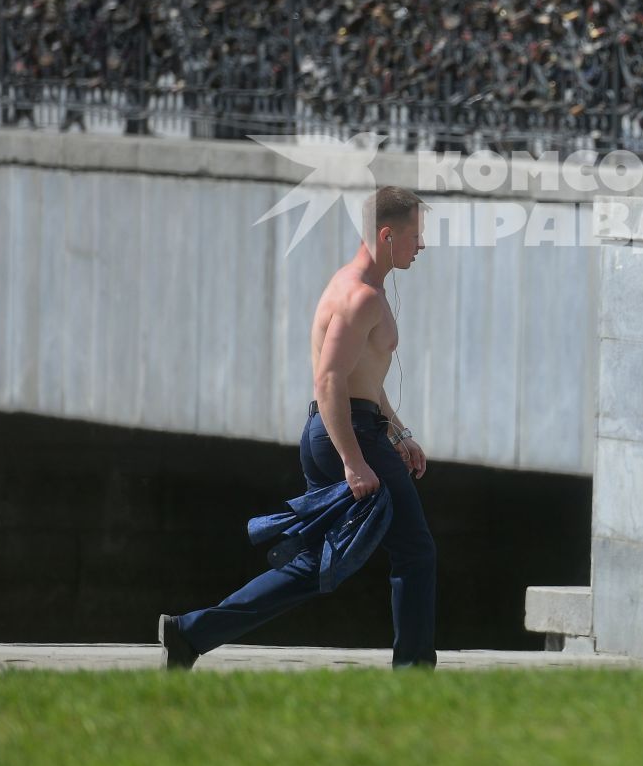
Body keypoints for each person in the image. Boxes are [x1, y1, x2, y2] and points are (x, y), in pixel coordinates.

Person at [159, 187, 438, 669]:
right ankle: (414, 673)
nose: (422, 246)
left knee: (313, 563)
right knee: (415, 552)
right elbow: (329, 379)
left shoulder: (352, 286)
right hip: (349, 436)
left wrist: (399, 432)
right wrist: (354, 462)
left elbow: (361, 379)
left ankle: (191, 633)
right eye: (415, 236)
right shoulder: (360, 297)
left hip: (348, 430)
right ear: (387, 235)